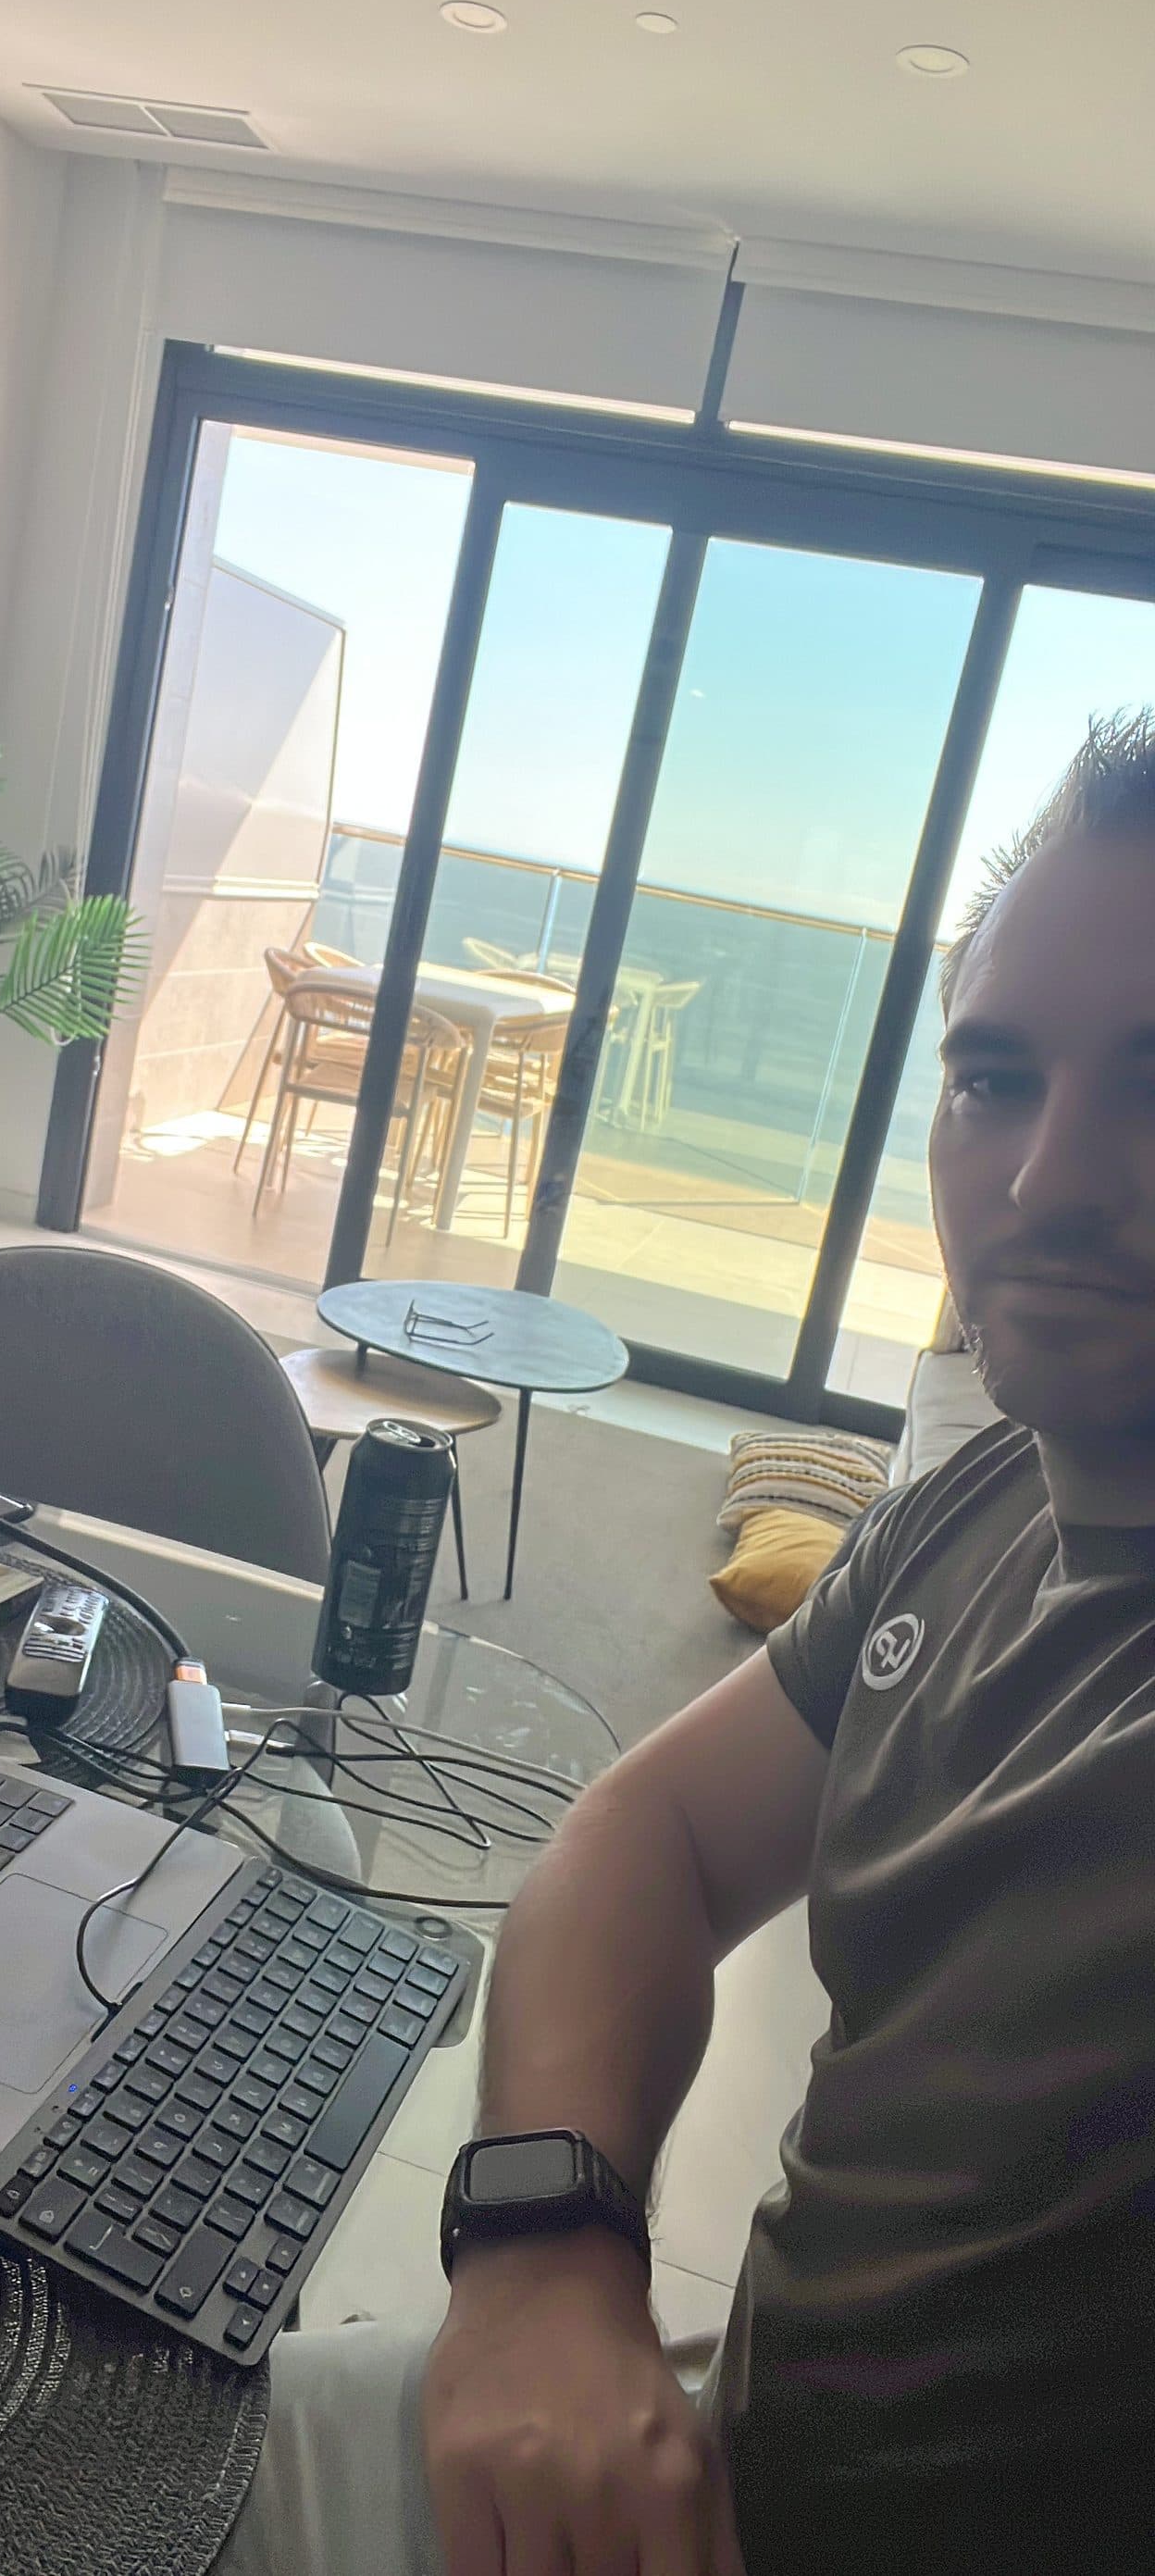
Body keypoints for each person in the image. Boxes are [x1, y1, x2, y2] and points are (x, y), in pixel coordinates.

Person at [216, 710, 1155, 2576]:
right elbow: (639, 1838)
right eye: (991, 1078)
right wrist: (547, 2252)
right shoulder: (958, 1521)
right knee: (77, 2395)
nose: (1044, 1181)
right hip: (703, 2437)